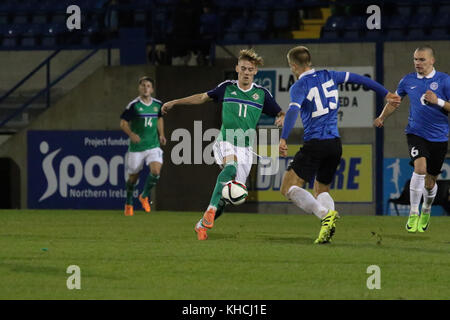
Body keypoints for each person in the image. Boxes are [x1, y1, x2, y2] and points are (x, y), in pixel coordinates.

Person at [279, 45, 401, 244]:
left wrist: (284, 137)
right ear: (309, 61)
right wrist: (385, 93)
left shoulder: (299, 86)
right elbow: (361, 79)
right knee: (321, 190)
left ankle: (325, 215)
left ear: (293, 66)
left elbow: (293, 111)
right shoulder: (330, 75)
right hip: (335, 144)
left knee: (288, 187)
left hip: (315, 143)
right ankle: (327, 225)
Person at [162, 48, 285, 240]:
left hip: (246, 149)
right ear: (237, 68)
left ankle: (202, 224)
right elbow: (202, 97)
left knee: (231, 197)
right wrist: (176, 102)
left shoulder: (261, 94)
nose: (246, 72)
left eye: (250, 69)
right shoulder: (227, 87)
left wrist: (282, 118)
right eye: (243, 68)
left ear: (255, 72)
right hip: (225, 140)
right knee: (230, 167)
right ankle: (210, 210)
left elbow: (280, 113)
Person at [374, 45, 450, 233]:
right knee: (420, 168)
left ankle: (426, 209)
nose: (418, 63)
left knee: (430, 181)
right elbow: (395, 101)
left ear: (432, 60)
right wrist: (382, 117)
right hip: (416, 133)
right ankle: (413, 212)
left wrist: (438, 101)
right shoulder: (407, 81)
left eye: (422, 59)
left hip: (439, 137)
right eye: (415, 59)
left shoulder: (444, 81)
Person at [120, 76, 167, 216]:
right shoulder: (133, 105)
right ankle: (129, 202)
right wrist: (131, 134)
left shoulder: (158, 104)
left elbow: (159, 118)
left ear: (152, 89)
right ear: (139, 88)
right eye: (142, 85)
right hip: (137, 148)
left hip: (153, 145)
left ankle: (144, 195)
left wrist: (162, 134)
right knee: (133, 178)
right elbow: (123, 123)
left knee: (156, 171)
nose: (145, 88)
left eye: (148, 86)